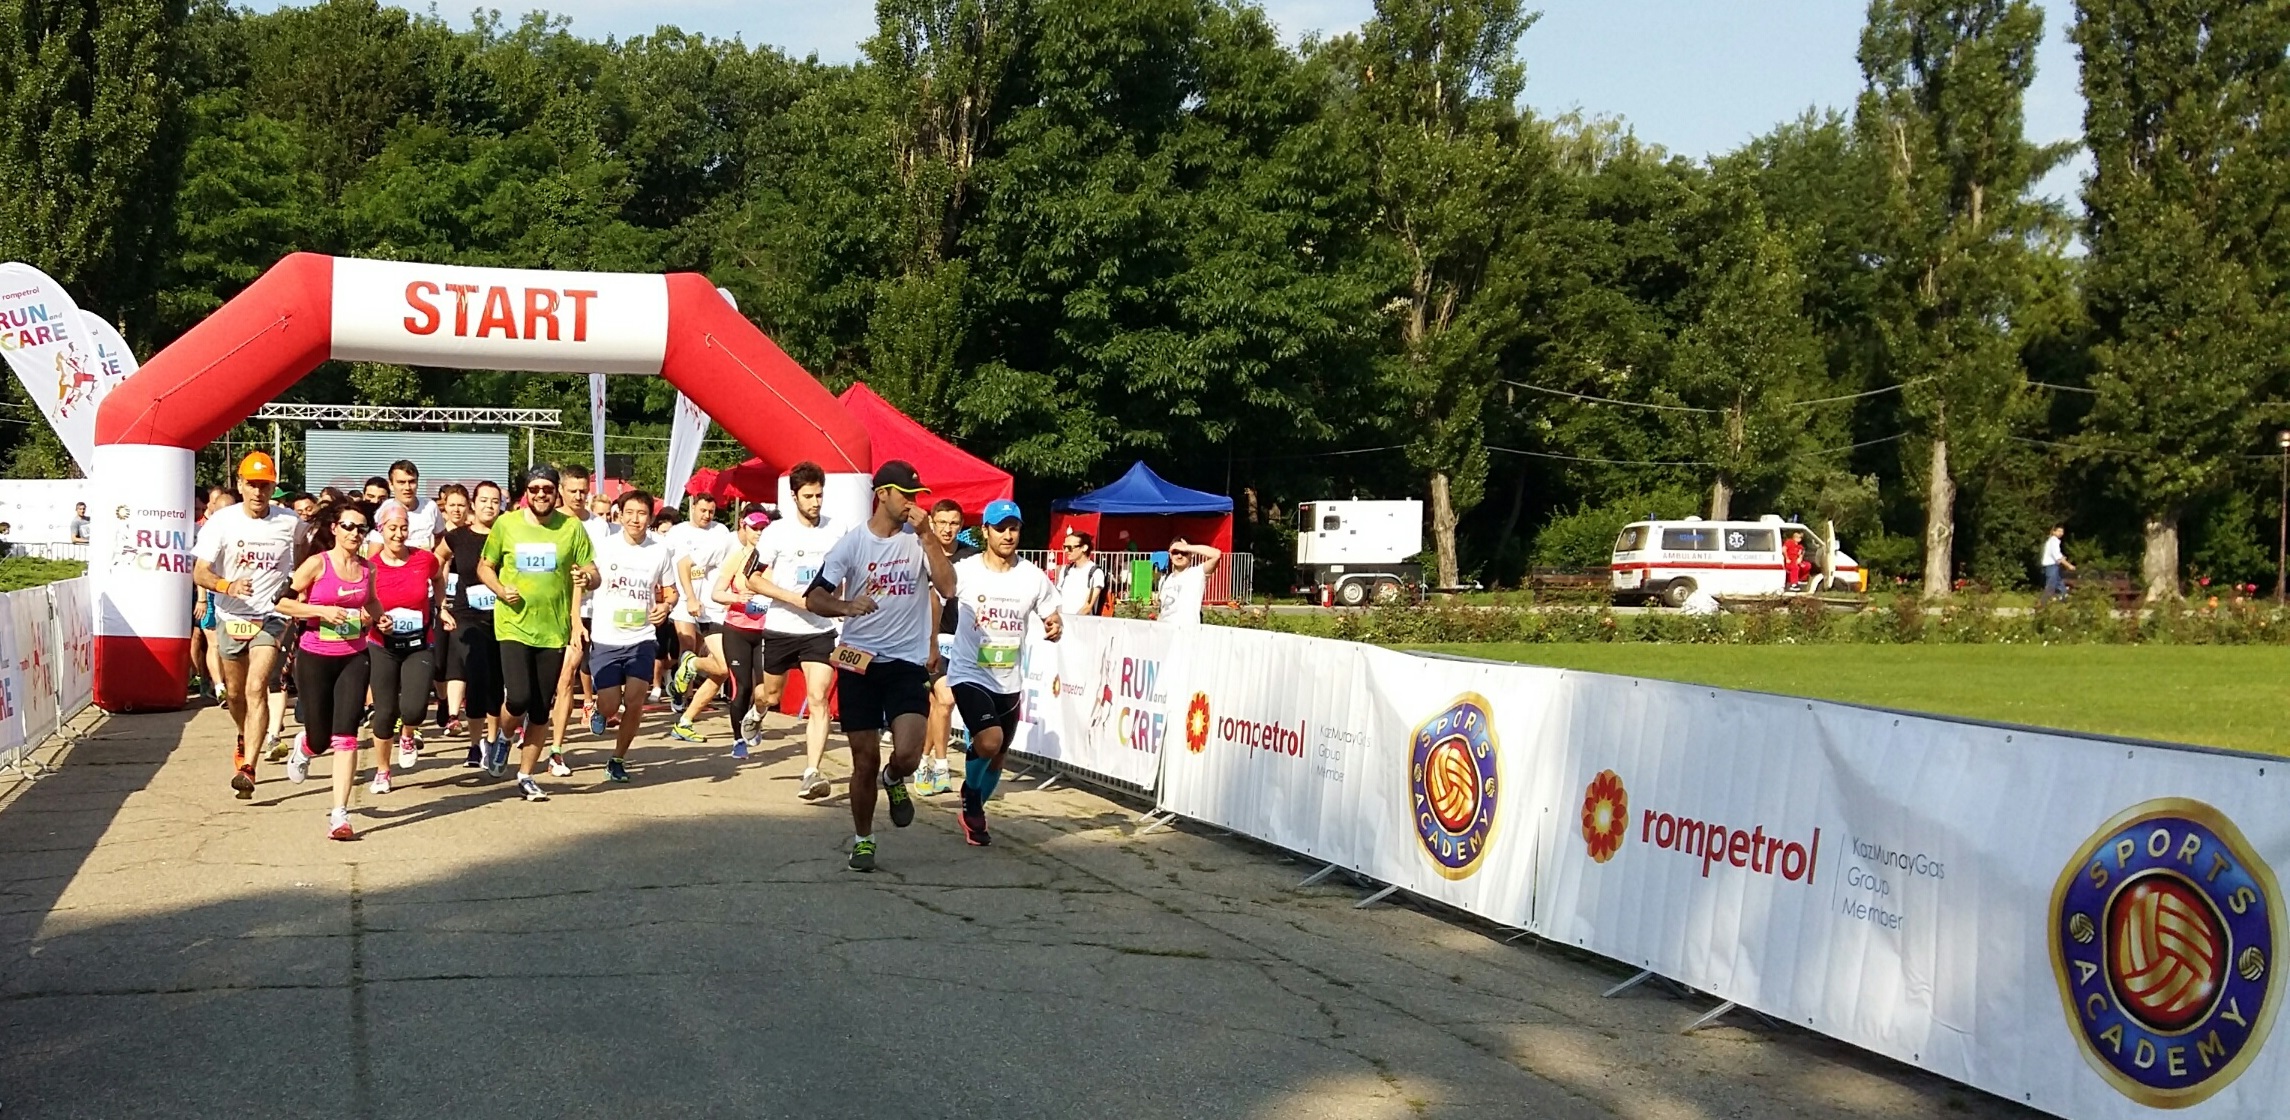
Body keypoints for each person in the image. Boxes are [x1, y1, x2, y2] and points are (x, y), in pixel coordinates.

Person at [804, 460, 957, 873]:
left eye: (916, 496)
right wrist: (845, 606)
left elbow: (948, 587)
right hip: (858, 660)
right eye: (905, 495)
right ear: (882, 494)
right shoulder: (852, 544)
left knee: (907, 754)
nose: (912, 503)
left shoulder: (919, 539)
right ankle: (863, 840)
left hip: (905, 661)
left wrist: (928, 537)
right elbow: (814, 597)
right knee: (864, 759)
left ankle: (894, 778)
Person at [477, 466, 598, 802]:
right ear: (526, 493)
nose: (541, 494)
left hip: (553, 629)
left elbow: (592, 571)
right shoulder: (507, 524)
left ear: (556, 493)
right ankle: (503, 738)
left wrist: (588, 578)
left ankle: (526, 775)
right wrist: (500, 590)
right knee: (518, 697)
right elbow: (484, 566)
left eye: (547, 489)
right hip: (513, 624)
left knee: (542, 707)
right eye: (534, 489)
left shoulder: (571, 528)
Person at [949, 500, 1064, 846]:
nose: (1008, 535)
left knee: (999, 756)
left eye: (1013, 528)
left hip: (1008, 678)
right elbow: (939, 593)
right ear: (985, 531)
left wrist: (1054, 624)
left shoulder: (1032, 575)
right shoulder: (966, 570)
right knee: (989, 740)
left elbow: (1051, 612)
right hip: (969, 672)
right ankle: (971, 795)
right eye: (1000, 529)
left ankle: (974, 812)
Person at [190, 452, 300, 799]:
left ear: (273, 487)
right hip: (231, 616)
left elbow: (306, 556)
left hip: (271, 616)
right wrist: (228, 586)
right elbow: (200, 572)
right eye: (252, 484)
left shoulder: (290, 522)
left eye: (264, 485)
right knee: (236, 694)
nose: (258, 492)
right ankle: (243, 732)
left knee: (256, 687)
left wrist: (296, 589)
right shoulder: (222, 522)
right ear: (240, 485)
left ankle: (248, 767)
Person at [747, 462, 848, 798]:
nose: (815, 502)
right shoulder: (777, 532)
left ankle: (812, 772)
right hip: (781, 627)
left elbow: (849, 571)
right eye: (808, 496)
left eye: (819, 495)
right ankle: (758, 711)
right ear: (794, 497)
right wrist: (794, 599)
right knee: (771, 695)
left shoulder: (838, 529)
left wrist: (841, 604)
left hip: (820, 630)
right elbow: (751, 578)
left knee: (818, 698)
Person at [278, 499, 377, 840]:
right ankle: (305, 746)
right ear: (334, 529)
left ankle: (340, 815)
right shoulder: (316, 564)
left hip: (354, 656)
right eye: (348, 526)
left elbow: (371, 601)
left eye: (361, 528)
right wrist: (321, 612)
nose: (354, 533)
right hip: (315, 656)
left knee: (346, 736)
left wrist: (381, 619)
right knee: (320, 739)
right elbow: (282, 602)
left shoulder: (367, 569)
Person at [583, 491, 679, 782]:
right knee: (611, 703)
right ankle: (600, 710)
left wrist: (666, 606)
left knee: (635, 700)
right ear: (620, 515)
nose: (635, 519)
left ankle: (617, 758)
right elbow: (587, 577)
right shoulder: (604, 547)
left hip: (642, 637)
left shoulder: (660, 550)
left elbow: (671, 591)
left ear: (650, 517)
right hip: (606, 637)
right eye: (630, 513)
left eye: (642, 513)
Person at [362, 502, 449, 794]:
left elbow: (438, 577)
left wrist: (442, 606)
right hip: (382, 645)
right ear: (380, 530)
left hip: (418, 644)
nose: (398, 534)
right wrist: (374, 619)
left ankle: (408, 734)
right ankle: (383, 771)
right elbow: (362, 604)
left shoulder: (424, 559)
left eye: (403, 528)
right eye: (392, 528)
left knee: (413, 710)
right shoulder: (370, 567)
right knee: (385, 712)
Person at [440, 481, 506, 767]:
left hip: (503, 616)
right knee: (476, 674)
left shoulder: (508, 535)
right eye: (484, 500)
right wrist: (441, 602)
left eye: (495, 501)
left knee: (497, 682)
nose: (489, 506)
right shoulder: (457, 536)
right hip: (466, 615)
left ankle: (491, 741)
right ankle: (475, 744)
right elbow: (437, 559)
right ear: (473, 504)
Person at [546, 465, 610, 765]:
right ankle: (532, 720)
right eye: (572, 491)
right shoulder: (549, 521)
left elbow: (601, 568)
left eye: (583, 491)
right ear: (561, 490)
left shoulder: (599, 525)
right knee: (547, 676)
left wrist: (588, 578)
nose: (578, 496)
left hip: (588, 609)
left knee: (568, 673)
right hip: (550, 609)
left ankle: (557, 747)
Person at [923, 499, 982, 796]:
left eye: (954, 523)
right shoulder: (920, 553)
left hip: (963, 642)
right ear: (932, 523)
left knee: (939, 706)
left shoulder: (972, 557)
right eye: (942, 523)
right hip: (928, 639)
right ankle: (942, 767)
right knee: (944, 701)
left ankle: (925, 760)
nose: (947, 529)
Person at [665, 493, 735, 746]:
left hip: (708, 602)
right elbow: (672, 564)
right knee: (687, 646)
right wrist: (677, 594)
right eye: (703, 510)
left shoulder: (721, 532)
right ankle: (681, 696)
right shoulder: (677, 533)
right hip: (685, 598)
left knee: (703, 656)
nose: (707, 515)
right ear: (692, 508)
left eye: (711, 511)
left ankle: (684, 696)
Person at [713, 508, 779, 764]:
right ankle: (738, 740)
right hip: (737, 630)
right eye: (755, 528)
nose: (759, 533)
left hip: (766, 631)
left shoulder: (777, 559)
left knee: (766, 692)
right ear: (744, 528)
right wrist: (737, 598)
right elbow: (716, 593)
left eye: (764, 529)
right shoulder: (737, 557)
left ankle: (755, 717)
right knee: (743, 687)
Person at [367, 460, 447, 553]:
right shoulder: (384, 509)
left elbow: (440, 537)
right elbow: (374, 551)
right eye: (401, 482)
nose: (407, 488)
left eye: (412, 482)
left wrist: (437, 559)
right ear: (391, 485)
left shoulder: (430, 506)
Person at [1156, 536, 1221, 625]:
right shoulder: (1164, 580)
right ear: (1170, 555)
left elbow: (1216, 555)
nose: (1179, 556)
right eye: (1175, 552)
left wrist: (1187, 547)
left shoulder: (1197, 573)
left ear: (1191, 555)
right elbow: (1162, 610)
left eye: (1184, 553)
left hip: (1187, 631)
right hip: (1165, 630)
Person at [1056, 530, 1106, 616]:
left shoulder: (1095, 573)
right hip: (1062, 621)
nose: (1066, 551)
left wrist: (1073, 621)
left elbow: (1087, 607)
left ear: (1084, 548)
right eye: (1064, 547)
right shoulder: (1065, 570)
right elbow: (1057, 600)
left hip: (1082, 622)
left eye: (1070, 547)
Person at [2040, 524, 2076, 603]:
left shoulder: (2053, 541)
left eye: (2062, 531)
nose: (2061, 533)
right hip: (2051, 566)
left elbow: (2056, 555)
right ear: (2054, 532)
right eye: (2059, 531)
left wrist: (2062, 558)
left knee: (2059, 583)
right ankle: (2044, 603)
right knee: (2051, 585)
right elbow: (2057, 556)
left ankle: (2064, 600)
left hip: (2054, 566)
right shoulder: (2054, 541)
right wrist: (2069, 565)